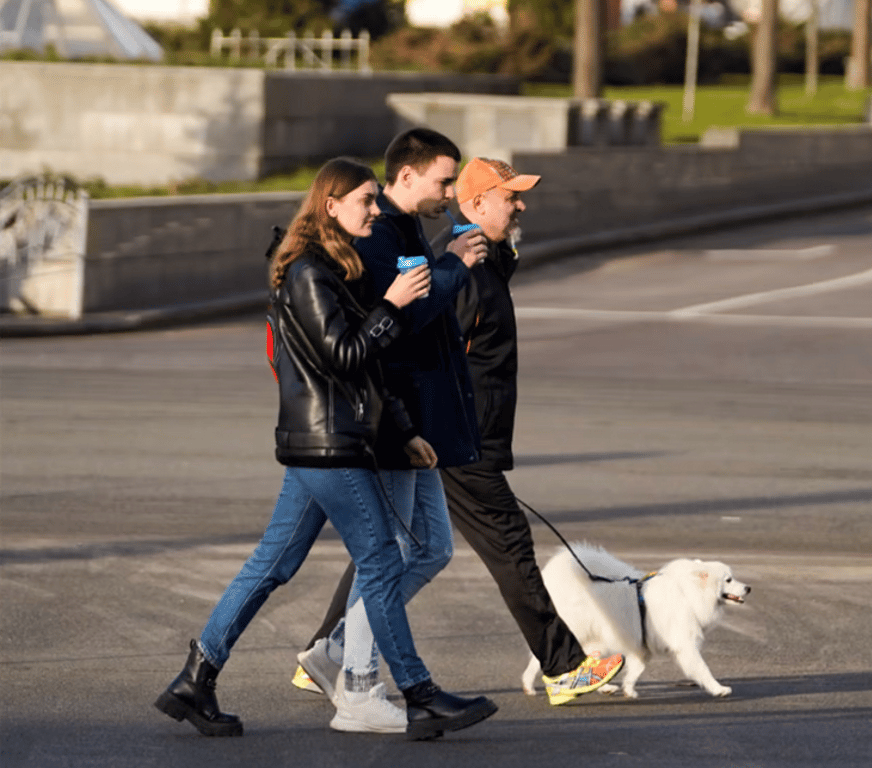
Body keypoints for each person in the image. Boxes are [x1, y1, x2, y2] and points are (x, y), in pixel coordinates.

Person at [154, 157, 496, 740]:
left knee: (273, 564)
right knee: (383, 563)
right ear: (330, 206)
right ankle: (418, 693)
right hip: (327, 444)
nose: (374, 209)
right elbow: (345, 356)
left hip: (323, 441)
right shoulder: (310, 272)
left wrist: (406, 430)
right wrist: (390, 305)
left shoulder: (336, 267)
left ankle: (196, 678)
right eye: (365, 200)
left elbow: (367, 367)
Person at [299, 157, 623, 708]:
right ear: (474, 204)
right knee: (508, 544)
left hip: (459, 435)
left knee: (391, 546)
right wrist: (430, 428)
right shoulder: (460, 270)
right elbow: (425, 344)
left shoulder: (485, 259)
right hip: (456, 436)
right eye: (509, 197)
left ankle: (324, 652)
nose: (520, 205)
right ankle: (563, 667)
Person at [290, 129, 488, 734]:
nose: (450, 193)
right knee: (392, 554)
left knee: (426, 549)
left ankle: (339, 652)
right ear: (407, 177)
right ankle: (356, 679)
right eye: (444, 181)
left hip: (411, 422)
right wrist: (452, 267)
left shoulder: (401, 233)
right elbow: (394, 329)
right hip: (389, 423)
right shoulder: (379, 239)